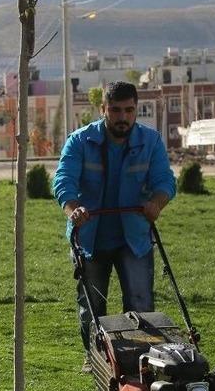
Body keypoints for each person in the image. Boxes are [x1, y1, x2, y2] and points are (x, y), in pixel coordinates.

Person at [53, 81, 176, 372]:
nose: (123, 117)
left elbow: (165, 181)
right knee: (93, 306)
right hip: (90, 237)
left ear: (136, 110)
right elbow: (63, 181)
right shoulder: (80, 141)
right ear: (103, 110)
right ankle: (95, 357)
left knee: (140, 301)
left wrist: (157, 203)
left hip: (133, 237)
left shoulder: (151, 141)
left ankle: (140, 360)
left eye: (129, 110)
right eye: (116, 110)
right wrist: (73, 209)